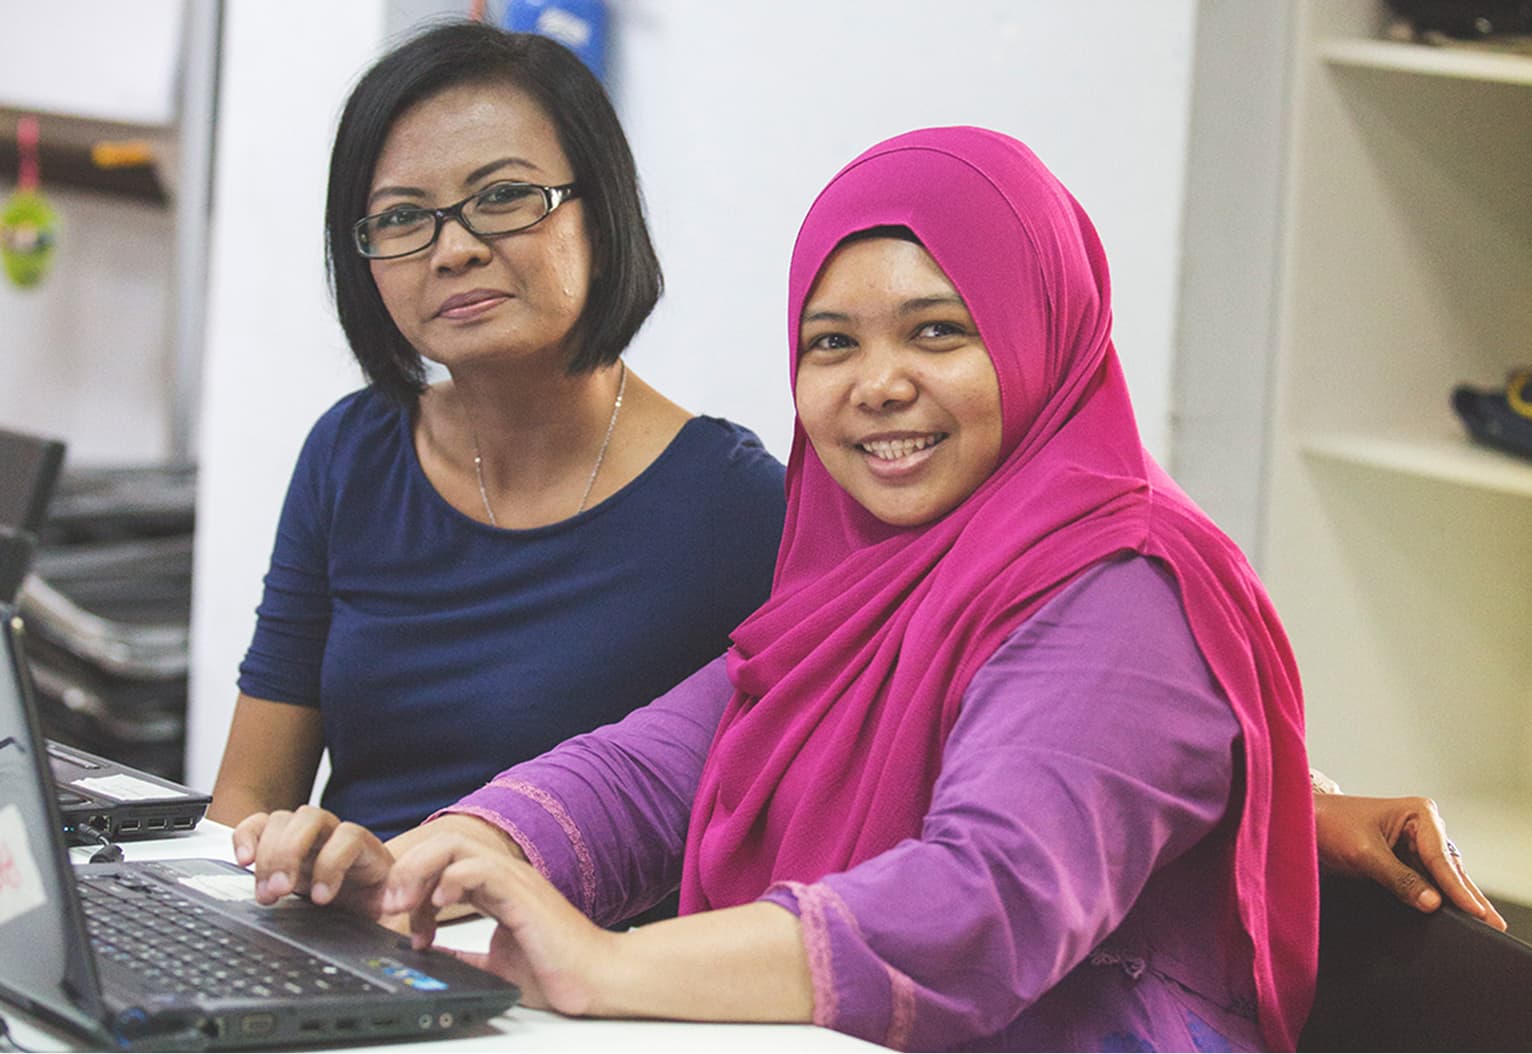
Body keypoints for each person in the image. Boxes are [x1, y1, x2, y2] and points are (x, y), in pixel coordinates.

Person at [237, 125, 1336, 1051]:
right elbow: (659, 767)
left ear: (1041, 328)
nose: (878, 385)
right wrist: (447, 858)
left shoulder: (1124, 581)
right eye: (831, 343)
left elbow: (988, 898)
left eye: (938, 331)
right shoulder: (870, 573)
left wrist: (606, 966)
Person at [206, 23, 786, 840]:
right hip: (341, 913)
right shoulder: (353, 453)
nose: (454, 249)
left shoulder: (736, 505)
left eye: (503, 197)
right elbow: (249, 797)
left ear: (600, 216)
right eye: (402, 217)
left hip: (568, 921)